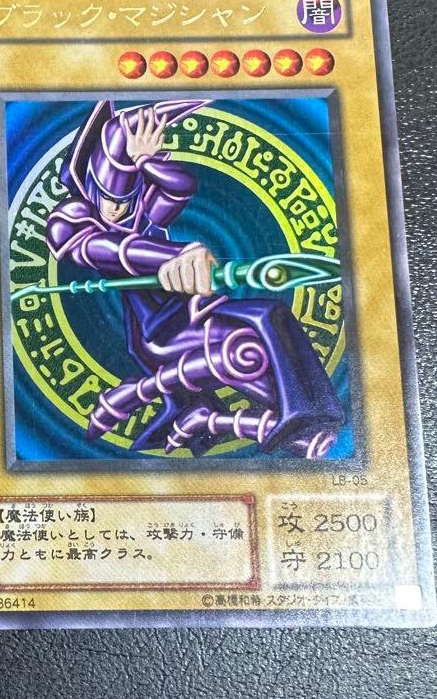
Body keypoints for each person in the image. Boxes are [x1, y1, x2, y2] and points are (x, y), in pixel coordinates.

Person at [45, 100, 344, 458]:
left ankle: (299, 416)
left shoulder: (140, 211)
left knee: (267, 316)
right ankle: (295, 424)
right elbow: (102, 248)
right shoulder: (74, 220)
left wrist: (147, 161)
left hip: (189, 312)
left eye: (125, 200)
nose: (116, 209)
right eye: (108, 198)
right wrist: (171, 256)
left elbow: (180, 187)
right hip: (158, 331)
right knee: (245, 346)